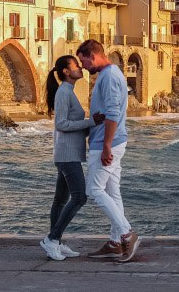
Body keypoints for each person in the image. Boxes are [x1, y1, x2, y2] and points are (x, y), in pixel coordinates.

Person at [76, 39, 140, 263]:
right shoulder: (108, 74)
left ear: (92, 56)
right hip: (111, 140)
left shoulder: (110, 76)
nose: (83, 67)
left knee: (93, 189)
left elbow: (113, 113)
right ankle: (115, 242)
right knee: (113, 192)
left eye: (83, 61)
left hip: (107, 142)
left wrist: (105, 145)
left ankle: (126, 233)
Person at [40, 55, 105, 261]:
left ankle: (55, 243)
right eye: (75, 65)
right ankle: (52, 239)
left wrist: (91, 127)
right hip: (67, 156)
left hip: (67, 153)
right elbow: (62, 124)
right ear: (67, 72)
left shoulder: (68, 91)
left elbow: (71, 127)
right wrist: (91, 123)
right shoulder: (63, 93)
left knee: (60, 201)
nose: (80, 68)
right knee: (79, 197)